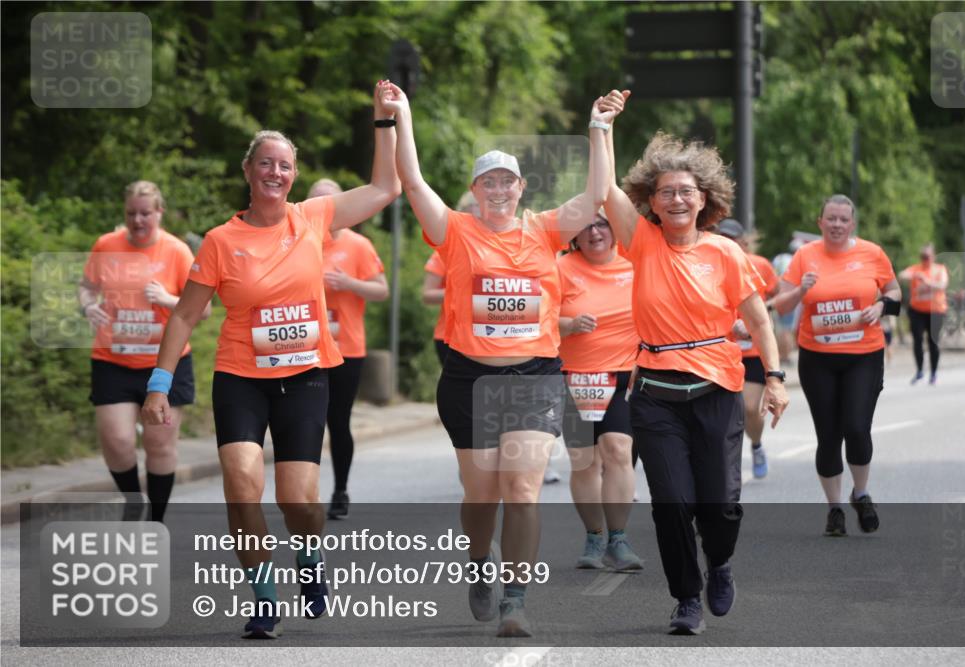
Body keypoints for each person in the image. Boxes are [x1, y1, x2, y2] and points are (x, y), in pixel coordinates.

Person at [142, 82, 400, 639]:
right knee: (240, 485)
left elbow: (386, 185)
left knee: (298, 502)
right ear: (248, 170)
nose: (276, 173)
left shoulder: (312, 218)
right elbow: (184, 317)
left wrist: (384, 120)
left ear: (294, 174)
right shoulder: (218, 240)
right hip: (241, 375)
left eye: (285, 165)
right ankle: (263, 597)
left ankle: (309, 563)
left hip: (306, 375)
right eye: (266, 163)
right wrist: (158, 385)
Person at [383, 81, 619, 637]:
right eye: (487, 181)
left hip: (535, 376)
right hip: (468, 379)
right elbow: (412, 181)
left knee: (523, 489)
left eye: (506, 181)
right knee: (481, 495)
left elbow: (597, 196)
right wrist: (403, 116)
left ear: (521, 188)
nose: (497, 189)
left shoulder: (545, 230)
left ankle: (515, 597)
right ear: (475, 189)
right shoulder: (455, 231)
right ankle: (479, 562)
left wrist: (599, 127)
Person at [599, 92, 789, 636]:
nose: (677, 200)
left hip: (716, 393)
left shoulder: (726, 254)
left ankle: (720, 562)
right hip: (656, 396)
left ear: (703, 199)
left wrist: (773, 377)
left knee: (720, 507)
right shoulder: (641, 242)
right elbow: (603, 190)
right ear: (651, 202)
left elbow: (757, 323)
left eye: (687, 191)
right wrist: (600, 127)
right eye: (666, 193)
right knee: (671, 505)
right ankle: (686, 599)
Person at [773, 194, 901, 540]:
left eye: (844, 219)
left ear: (853, 224)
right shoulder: (804, 256)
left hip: (863, 354)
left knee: (857, 428)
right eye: (831, 218)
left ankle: (860, 493)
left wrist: (881, 307)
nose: (837, 225)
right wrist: (800, 290)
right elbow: (780, 303)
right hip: (818, 358)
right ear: (820, 222)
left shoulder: (872, 253)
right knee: (828, 435)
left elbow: (894, 290)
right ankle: (834, 509)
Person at [79, 181, 208, 522]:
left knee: (159, 444)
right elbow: (86, 287)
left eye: (145, 213)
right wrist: (88, 306)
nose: (138, 220)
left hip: (167, 363)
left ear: (159, 213)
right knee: (117, 441)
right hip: (113, 360)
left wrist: (167, 300)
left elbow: (203, 310)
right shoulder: (107, 245)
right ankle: (134, 500)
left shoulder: (177, 251)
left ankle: (156, 522)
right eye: (131, 213)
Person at [558, 211, 643, 571]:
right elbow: (537, 318)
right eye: (586, 227)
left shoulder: (635, 264)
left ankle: (618, 540)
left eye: (603, 224)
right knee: (585, 462)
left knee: (618, 450)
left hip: (625, 375)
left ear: (615, 230)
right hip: (576, 378)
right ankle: (594, 537)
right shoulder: (560, 268)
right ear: (574, 235)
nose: (595, 232)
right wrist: (570, 324)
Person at [309, 178, 389, 520]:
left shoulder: (358, 245)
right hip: (303, 348)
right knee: (306, 423)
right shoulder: (299, 241)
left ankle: (340, 490)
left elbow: (381, 290)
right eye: (316, 202)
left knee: (337, 422)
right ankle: (303, 493)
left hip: (346, 349)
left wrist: (348, 283)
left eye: (330, 202)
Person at [717, 218, 780, 480]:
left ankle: (756, 445)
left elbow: (776, 294)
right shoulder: (708, 264)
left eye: (733, 239)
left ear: (743, 242)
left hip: (752, 352)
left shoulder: (761, 265)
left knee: (750, 408)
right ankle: (727, 462)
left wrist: (761, 314)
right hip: (721, 350)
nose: (729, 243)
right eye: (724, 238)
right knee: (724, 413)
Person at [423, 192, 478, 366]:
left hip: (490, 337)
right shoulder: (446, 251)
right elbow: (427, 295)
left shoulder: (501, 248)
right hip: (450, 337)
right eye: (470, 215)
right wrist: (460, 290)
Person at [899, 244, 949, 385]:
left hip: (936, 311)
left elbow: (943, 285)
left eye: (927, 257)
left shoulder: (940, 269)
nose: (924, 260)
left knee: (933, 342)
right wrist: (914, 275)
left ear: (933, 256)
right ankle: (920, 371)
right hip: (917, 310)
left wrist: (927, 282)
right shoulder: (916, 268)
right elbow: (902, 275)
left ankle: (933, 373)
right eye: (922, 257)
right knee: (917, 341)